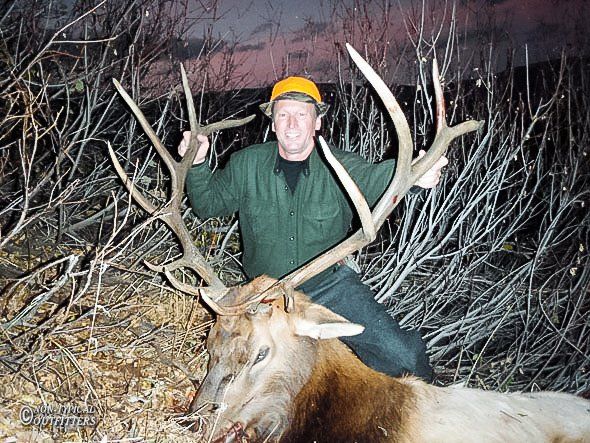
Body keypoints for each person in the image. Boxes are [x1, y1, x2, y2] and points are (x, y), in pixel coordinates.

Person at [179, 76, 448, 381]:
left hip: (331, 287)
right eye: (283, 114)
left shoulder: (341, 165)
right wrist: (197, 163)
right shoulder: (247, 164)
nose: (292, 123)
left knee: (404, 357)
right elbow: (207, 205)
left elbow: (379, 179)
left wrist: (414, 175)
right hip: (266, 295)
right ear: (272, 123)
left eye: (302, 114)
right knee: (236, 366)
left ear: (317, 122)